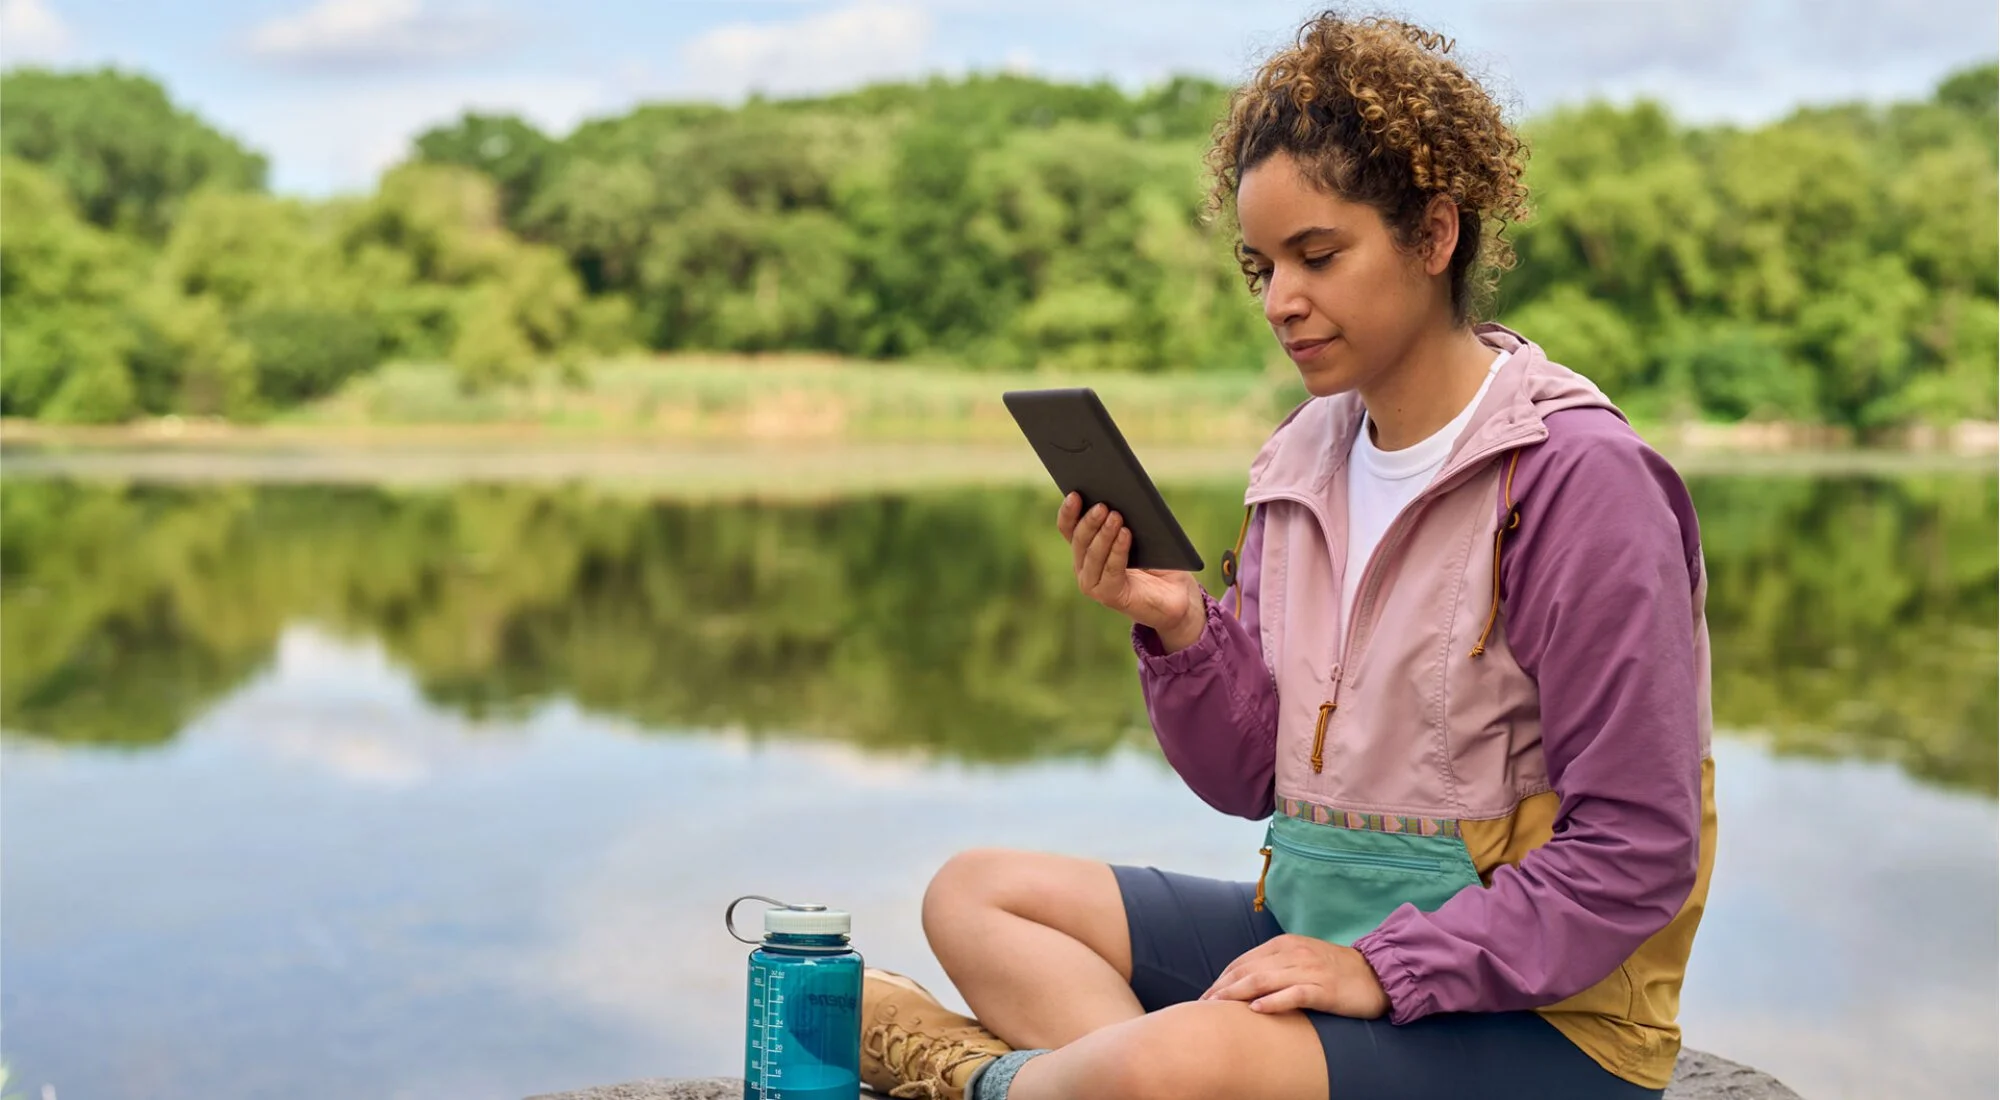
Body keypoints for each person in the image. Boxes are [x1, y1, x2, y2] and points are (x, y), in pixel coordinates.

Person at [856, 10, 1716, 1100]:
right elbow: (1248, 778)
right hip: (1314, 927)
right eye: (1259, 265)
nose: (1279, 301)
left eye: (1316, 255)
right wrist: (1177, 628)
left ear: (1434, 234)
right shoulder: (1298, 463)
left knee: (1180, 1058)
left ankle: (979, 1080)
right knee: (976, 893)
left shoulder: (1577, 480)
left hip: (1541, 1018)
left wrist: (1380, 965)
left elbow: (1635, 850)